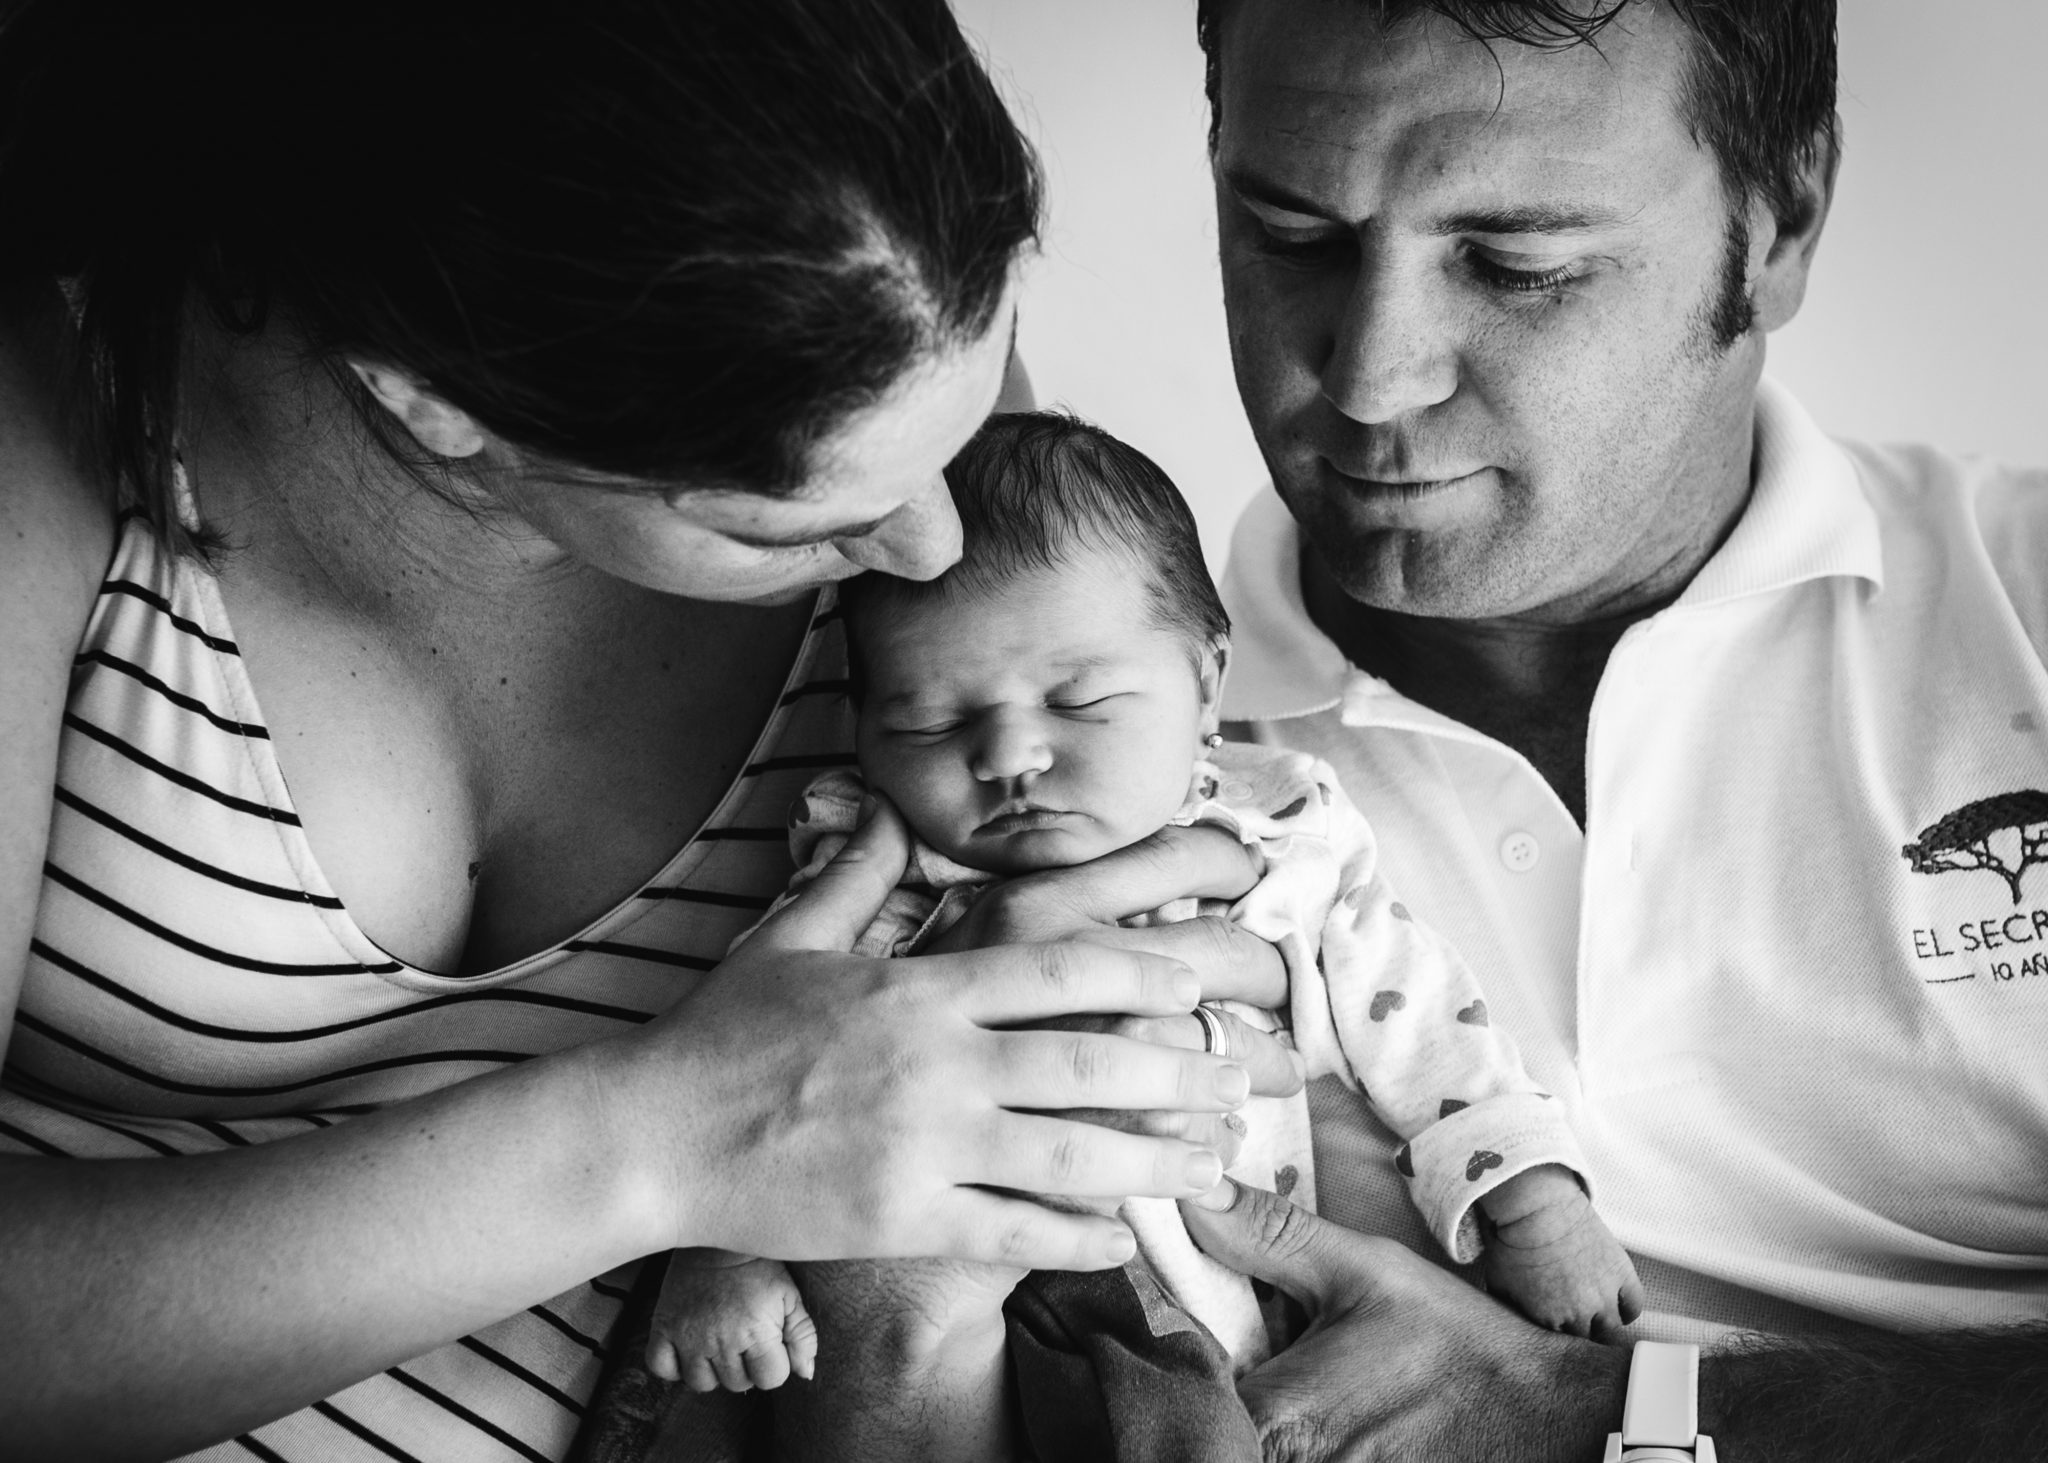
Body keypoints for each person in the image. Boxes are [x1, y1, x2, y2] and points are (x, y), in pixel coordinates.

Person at [0, 5, 1304, 1460]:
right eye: (780, 524)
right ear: (432, 407)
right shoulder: (46, 424)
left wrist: (1380, 1252)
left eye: (961, 421)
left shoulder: (866, 343)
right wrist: (672, 1137)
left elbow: (1182, 887)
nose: (929, 549)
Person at [1172, 0, 2048, 1457]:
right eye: (1292, 235)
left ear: (1782, 222)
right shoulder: (1043, 738)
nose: (1373, 375)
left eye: (1521, 265)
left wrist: (1590, 1416)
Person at [647, 411, 1639, 1459]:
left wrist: (1528, 1192)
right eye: (931, 719)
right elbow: (752, 1075)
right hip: (990, 1317)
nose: (1009, 753)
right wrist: (720, 1258)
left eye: (1078, 700)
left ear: (1204, 682)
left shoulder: (1274, 829)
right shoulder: (874, 863)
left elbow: (1412, 1000)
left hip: (1240, 1314)